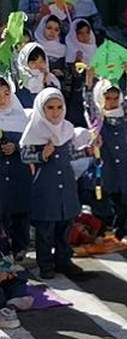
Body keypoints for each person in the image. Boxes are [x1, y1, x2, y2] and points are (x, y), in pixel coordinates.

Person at [19, 89, 85, 278]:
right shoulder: (34, 130)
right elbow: (24, 155)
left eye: (59, 107)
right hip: (45, 187)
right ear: (41, 108)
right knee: (46, 230)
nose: (55, 112)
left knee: (65, 226)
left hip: (66, 184)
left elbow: (72, 153)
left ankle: (63, 261)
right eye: (50, 108)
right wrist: (41, 155)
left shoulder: (66, 129)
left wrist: (89, 147)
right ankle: (46, 265)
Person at [87, 80, 127, 239]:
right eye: (108, 98)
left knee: (125, 198)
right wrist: (89, 82)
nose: (112, 102)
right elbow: (88, 101)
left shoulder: (123, 113)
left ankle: (121, 227)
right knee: (103, 197)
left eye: (115, 98)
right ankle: (101, 228)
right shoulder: (98, 117)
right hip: (106, 164)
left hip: (123, 163)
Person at [0, 79, 33, 261]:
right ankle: (4, 251)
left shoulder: (22, 118)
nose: (3, 99)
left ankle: (20, 247)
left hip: (19, 172)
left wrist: (16, 147)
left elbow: (32, 144)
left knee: (21, 210)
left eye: (5, 93)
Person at [62, 18, 97, 126]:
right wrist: (77, 62)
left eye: (87, 32)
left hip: (94, 92)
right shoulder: (71, 50)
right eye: (80, 33)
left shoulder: (95, 49)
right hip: (77, 94)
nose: (85, 36)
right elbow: (70, 76)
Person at [13, 44, 52, 108]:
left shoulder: (50, 80)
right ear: (25, 63)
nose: (38, 65)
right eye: (33, 63)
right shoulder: (21, 84)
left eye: (41, 61)